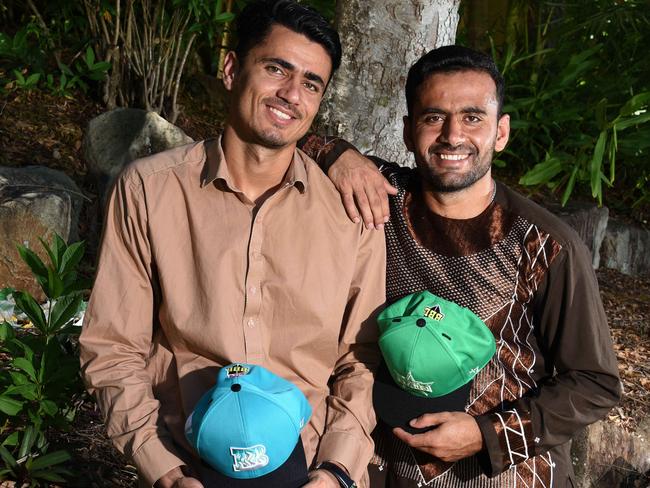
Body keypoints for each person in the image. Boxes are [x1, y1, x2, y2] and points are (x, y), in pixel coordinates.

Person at [79, 2, 386, 488]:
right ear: (231, 69)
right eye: (276, 68)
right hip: (190, 459)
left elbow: (361, 359)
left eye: (311, 83)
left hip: (308, 463)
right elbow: (113, 347)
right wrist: (165, 469)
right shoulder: (150, 190)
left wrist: (337, 471)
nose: (291, 93)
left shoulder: (352, 213)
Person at [301, 45, 621, 487]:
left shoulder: (545, 244)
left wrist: (486, 434)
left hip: (508, 476)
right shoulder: (379, 197)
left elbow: (595, 383)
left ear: (501, 132)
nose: (452, 135)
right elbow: (275, 131)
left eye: (473, 117)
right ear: (409, 130)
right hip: (386, 465)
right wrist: (337, 153)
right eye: (434, 117)